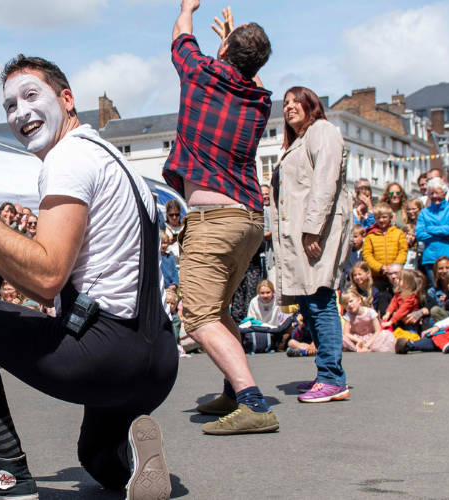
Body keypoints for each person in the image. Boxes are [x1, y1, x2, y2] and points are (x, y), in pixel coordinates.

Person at [0, 53, 176, 498]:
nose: (20, 112)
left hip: (107, 352)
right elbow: (43, 281)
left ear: (66, 99)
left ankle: (8, 470)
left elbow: (45, 277)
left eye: (30, 95)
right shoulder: (117, 163)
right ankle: (133, 463)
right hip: (159, 357)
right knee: (95, 457)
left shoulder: (68, 159)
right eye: (9, 105)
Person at [164, 0, 275, 438]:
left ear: (224, 50)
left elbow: (179, 35)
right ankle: (232, 390)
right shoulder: (259, 99)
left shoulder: (201, 74)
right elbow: (253, 80)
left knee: (199, 315)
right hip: (249, 219)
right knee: (221, 309)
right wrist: (233, 45)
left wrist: (187, 6)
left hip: (214, 219)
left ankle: (253, 402)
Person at [269, 86, 352, 404]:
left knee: (320, 299)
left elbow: (325, 181)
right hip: (303, 236)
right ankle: (327, 375)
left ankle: (333, 377)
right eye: (285, 103)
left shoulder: (322, 131)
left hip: (317, 233)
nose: (289, 107)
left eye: (295, 102)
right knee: (309, 303)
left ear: (311, 105)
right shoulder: (300, 142)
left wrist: (313, 231)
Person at [415, 177, 449, 285]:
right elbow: (419, 234)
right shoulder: (424, 212)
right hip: (430, 258)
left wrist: (429, 229)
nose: (434, 196)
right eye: (431, 193)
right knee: (435, 289)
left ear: (444, 193)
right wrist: (442, 233)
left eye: (437, 193)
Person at [361, 205, 406, 276]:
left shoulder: (398, 233)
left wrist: (394, 267)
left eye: (384, 217)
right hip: (377, 274)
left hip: (396, 274)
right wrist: (380, 268)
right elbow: (367, 255)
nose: (381, 220)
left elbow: (403, 251)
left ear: (390, 217)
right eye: (378, 218)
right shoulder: (370, 235)